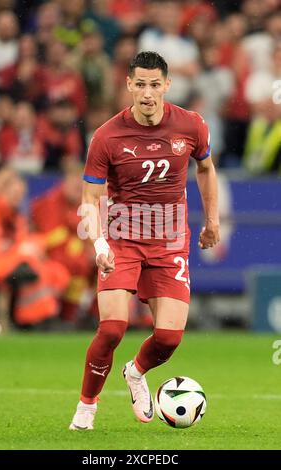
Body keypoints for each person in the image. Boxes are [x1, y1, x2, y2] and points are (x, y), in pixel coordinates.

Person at [69, 51, 220, 430]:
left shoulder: (191, 125)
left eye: (155, 84)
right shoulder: (106, 136)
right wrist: (99, 243)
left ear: (167, 85)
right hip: (122, 237)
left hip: (169, 239)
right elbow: (90, 197)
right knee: (112, 328)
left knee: (168, 338)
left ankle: (136, 372)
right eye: (140, 84)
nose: (147, 93)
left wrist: (212, 220)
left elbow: (206, 168)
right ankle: (87, 407)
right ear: (129, 85)